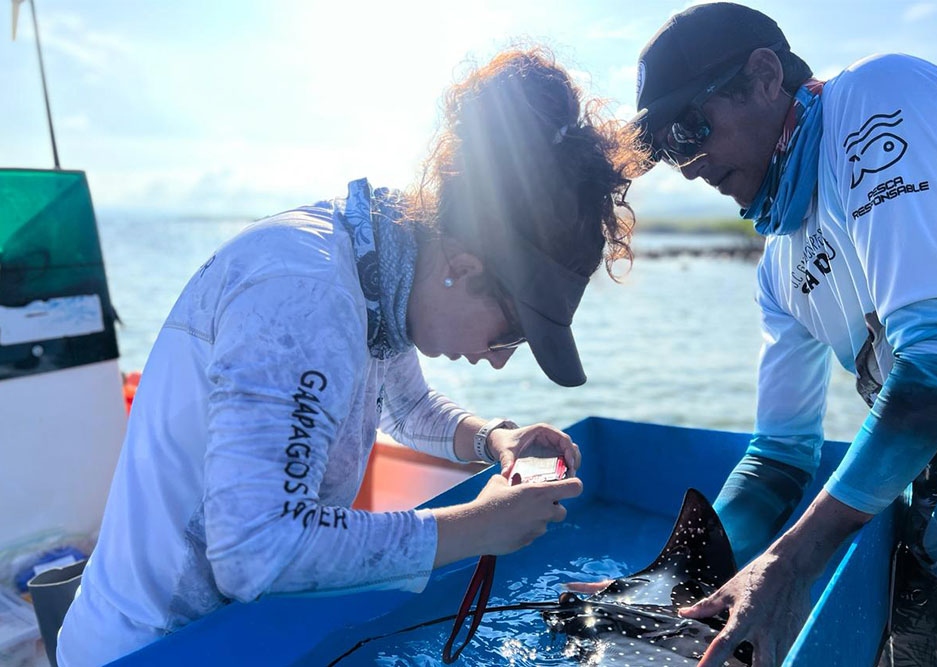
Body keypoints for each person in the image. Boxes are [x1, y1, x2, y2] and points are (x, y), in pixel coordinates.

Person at [57, 48, 643, 665]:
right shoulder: (302, 292)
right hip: (150, 643)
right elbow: (255, 550)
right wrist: (476, 526)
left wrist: (492, 439)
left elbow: (406, 404)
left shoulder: (376, 273)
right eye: (511, 336)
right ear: (463, 268)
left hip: (234, 630)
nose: (498, 361)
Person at [628, 3, 937, 666]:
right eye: (665, 150)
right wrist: (664, 589)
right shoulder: (778, 267)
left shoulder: (882, 99)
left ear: (767, 75)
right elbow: (778, 457)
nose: (686, 165)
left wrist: (789, 563)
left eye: (688, 129)